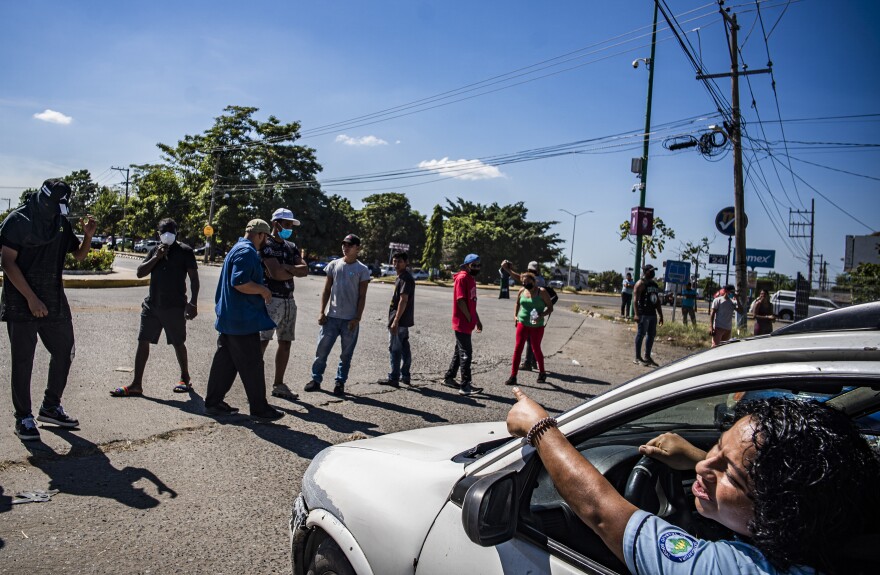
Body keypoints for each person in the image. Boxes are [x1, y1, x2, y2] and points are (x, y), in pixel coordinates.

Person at [507, 389, 880, 575]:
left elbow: (602, 512)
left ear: (781, 511)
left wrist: (539, 427)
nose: (704, 469)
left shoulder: (730, 569)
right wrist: (706, 461)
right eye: (715, 447)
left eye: (729, 473)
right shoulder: (831, 533)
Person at [0, 179, 95, 440]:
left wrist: (87, 236)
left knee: (65, 351)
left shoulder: (60, 223)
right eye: (54, 206)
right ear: (43, 200)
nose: (57, 211)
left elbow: (78, 255)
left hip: (54, 301)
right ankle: (24, 418)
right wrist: (31, 298)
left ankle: (51, 406)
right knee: (23, 361)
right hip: (21, 302)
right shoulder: (17, 221)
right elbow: (7, 262)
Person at [204, 219, 283, 422]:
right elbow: (239, 282)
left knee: (225, 363)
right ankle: (260, 408)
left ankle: (214, 403)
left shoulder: (237, 248)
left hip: (230, 318)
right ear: (260, 235)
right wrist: (263, 290)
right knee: (253, 364)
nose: (265, 241)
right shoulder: (247, 252)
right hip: (242, 319)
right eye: (265, 237)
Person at [111, 219, 199, 398]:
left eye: (171, 231)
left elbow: (194, 279)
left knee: (178, 342)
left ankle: (185, 378)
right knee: (143, 341)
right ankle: (136, 385)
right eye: (164, 231)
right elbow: (140, 272)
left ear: (177, 233)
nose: (168, 234)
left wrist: (193, 302)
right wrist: (156, 257)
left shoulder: (185, 251)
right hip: (152, 306)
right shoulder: (154, 251)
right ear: (157, 234)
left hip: (175, 307)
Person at [304, 234, 371, 396]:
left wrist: (357, 318)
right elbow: (327, 290)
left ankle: (340, 382)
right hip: (331, 318)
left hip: (350, 320)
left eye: (349, 245)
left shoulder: (362, 270)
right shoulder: (334, 265)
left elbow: (362, 296)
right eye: (343, 244)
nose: (345, 247)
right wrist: (321, 312)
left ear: (357, 248)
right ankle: (316, 379)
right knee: (321, 351)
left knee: (346, 355)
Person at [259, 208, 308, 401]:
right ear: (275, 223)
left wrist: (286, 268)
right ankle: (253, 382)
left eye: (290, 225)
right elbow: (275, 274)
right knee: (262, 342)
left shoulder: (291, 246)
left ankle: (278, 384)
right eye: (286, 224)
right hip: (270, 300)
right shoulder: (266, 245)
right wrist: (291, 270)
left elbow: (304, 270)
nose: (289, 228)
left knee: (285, 342)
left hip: (289, 300)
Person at [443, 254, 484, 396]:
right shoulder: (462, 278)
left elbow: (471, 302)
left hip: (468, 322)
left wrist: (476, 319)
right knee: (466, 353)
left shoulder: (471, 279)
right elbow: (461, 301)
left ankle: (449, 377)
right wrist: (468, 318)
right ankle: (465, 385)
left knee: (459, 351)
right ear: (467, 265)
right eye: (474, 265)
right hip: (462, 323)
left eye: (479, 265)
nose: (477, 268)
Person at [501, 260, 554, 371]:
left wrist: (507, 269)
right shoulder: (533, 280)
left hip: (535, 316)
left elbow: (519, 277)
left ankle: (528, 363)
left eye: (532, 271)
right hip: (529, 316)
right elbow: (521, 278)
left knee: (532, 341)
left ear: (536, 271)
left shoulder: (538, 280)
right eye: (529, 270)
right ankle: (532, 361)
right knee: (531, 341)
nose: (531, 272)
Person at [377, 251, 414, 388]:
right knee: (404, 348)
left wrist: (395, 321)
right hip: (402, 321)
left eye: (400, 261)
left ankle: (394, 377)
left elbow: (403, 301)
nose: (396, 264)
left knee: (395, 349)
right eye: (395, 261)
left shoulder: (405, 278)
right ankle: (405, 375)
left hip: (399, 321)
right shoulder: (402, 277)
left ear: (406, 262)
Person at [633, 264, 664, 367]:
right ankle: (637, 358)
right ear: (646, 272)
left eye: (653, 270)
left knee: (651, 335)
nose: (653, 273)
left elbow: (657, 301)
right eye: (651, 271)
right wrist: (636, 314)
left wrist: (660, 315)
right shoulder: (640, 284)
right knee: (641, 334)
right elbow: (635, 301)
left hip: (652, 314)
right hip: (643, 314)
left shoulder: (654, 285)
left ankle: (647, 357)